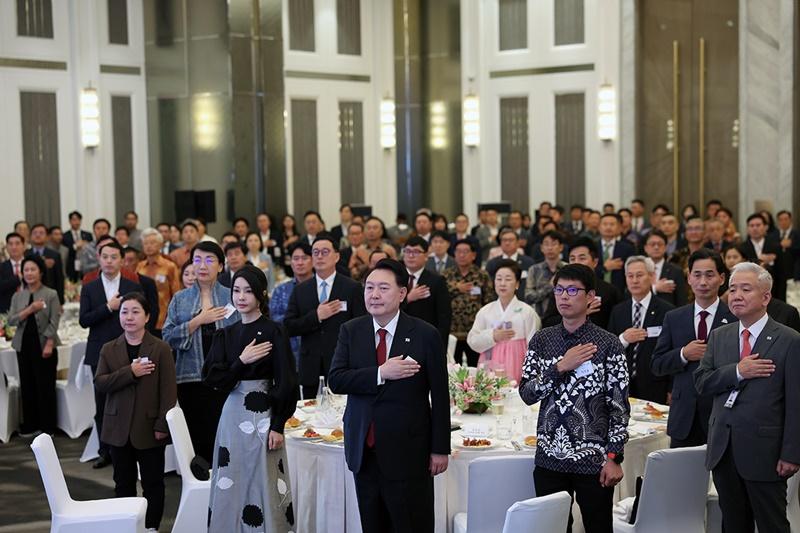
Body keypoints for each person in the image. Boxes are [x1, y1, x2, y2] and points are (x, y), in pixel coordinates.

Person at [328, 259, 450, 532]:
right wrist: (380, 372)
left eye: (383, 288)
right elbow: (336, 379)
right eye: (369, 287)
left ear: (402, 293)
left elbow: (440, 396)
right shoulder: (351, 330)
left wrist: (440, 448)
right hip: (364, 449)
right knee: (373, 525)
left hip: (409, 452)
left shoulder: (425, 334)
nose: (374, 295)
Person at [519, 263, 629, 533]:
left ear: (590, 296)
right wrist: (560, 367)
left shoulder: (608, 343)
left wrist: (614, 456)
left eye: (572, 290)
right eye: (558, 289)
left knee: (598, 527)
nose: (564, 296)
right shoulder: (542, 340)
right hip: (550, 457)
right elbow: (527, 393)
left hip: (594, 459)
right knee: (552, 528)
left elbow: (619, 405)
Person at [694, 262, 800, 533]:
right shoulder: (720, 336)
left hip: (766, 452)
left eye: (745, 289)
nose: (736, 295)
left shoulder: (789, 340)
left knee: (772, 524)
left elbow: (796, 403)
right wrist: (737, 371)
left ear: (766, 297)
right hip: (724, 449)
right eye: (732, 289)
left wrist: (792, 453)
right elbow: (702, 382)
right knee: (732, 524)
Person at [203, 266, 297, 532]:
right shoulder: (226, 333)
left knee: (264, 478)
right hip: (233, 413)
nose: (241, 296)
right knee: (231, 474)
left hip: (265, 413)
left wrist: (278, 424)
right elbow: (212, 379)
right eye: (236, 290)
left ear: (261, 294)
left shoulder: (274, 331)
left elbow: (287, 380)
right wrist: (240, 362)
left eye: (248, 291)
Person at [94, 292, 176, 533]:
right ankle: (127, 526)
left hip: (150, 427)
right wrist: (130, 372)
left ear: (147, 316)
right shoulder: (109, 349)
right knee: (123, 483)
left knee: (153, 483)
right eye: (124, 312)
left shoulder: (160, 348)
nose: (129, 317)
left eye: (135, 312)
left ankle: (150, 527)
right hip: (117, 428)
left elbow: (169, 392)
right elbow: (101, 383)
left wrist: (162, 425)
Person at [162, 241, 240, 463]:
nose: (202, 265)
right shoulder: (180, 299)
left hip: (225, 378)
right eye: (197, 260)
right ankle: (200, 488)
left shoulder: (231, 296)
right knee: (197, 439)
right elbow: (167, 337)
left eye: (209, 260)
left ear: (221, 266)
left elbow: (241, 334)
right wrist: (197, 321)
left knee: (224, 436)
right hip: (190, 380)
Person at [651, 249, 736, 448]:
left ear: (722, 278)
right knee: (682, 477)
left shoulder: (734, 318)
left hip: (721, 413)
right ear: (689, 278)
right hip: (684, 417)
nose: (703, 282)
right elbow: (657, 364)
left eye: (710, 274)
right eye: (697, 275)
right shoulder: (674, 317)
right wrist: (683, 354)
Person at [79, 241, 144, 469]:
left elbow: (142, 314)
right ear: (99, 258)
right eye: (105, 256)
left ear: (122, 259)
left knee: (131, 400)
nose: (109, 261)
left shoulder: (131, 285)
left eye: (113, 257)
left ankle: (132, 448)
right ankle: (104, 450)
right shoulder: (90, 287)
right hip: (99, 351)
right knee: (102, 404)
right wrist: (108, 307)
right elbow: (84, 320)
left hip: (127, 349)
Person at [284, 233, 367, 399]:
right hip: (310, 367)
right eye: (315, 253)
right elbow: (288, 327)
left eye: (325, 252)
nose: (319, 256)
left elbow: (362, 326)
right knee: (310, 417)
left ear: (336, 256)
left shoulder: (352, 288)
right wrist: (316, 316)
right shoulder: (301, 289)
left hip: (342, 363)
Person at [608, 256, 674, 404]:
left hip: (656, 386)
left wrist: (672, 387)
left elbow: (672, 351)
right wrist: (623, 339)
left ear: (652, 276)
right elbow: (608, 349)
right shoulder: (618, 311)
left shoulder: (667, 311)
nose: (634, 280)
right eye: (630, 276)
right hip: (623, 387)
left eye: (639, 275)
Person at [7, 255, 61, 437]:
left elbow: (55, 321)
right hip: (23, 345)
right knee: (27, 385)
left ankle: (48, 426)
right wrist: (30, 309)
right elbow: (11, 320)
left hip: (44, 345)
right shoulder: (18, 296)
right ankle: (30, 425)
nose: (29, 273)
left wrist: (49, 342)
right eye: (26, 270)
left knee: (45, 386)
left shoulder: (51, 294)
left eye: (33, 269)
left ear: (41, 272)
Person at [467, 260, 540, 382]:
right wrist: (492, 336)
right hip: (489, 362)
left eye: (508, 279)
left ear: (517, 284)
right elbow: (472, 340)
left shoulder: (527, 312)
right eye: (499, 279)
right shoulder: (485, 311)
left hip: (517, 363)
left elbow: (534, 348)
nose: (502, 283)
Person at [539, 237, 623, 330]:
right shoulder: (561, 289)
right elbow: (547, 322)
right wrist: (579, 315)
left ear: (595, 262)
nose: (576, 263)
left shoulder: (610, 291)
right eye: (572, 258)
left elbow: (617, 325)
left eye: (582, 258)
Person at [445, 239, 493, 366]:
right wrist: (456, 288)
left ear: (474, 255)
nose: (461, 255)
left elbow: (488, 303)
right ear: (454, 254)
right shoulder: (446, 275)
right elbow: (440, 299)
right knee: (453, 368)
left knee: (476, 367)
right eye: (458, 251)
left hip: (475, 332)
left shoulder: (482, 276)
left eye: (465, 252)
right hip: (452, 332)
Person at [401, 236, 452, 348]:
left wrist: (440, 346)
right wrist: (408, 298)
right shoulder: (396, 279)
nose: (411, 256)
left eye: (416, 252)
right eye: (407, 251)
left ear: (426, 256)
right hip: (398, 337)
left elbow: (444, 317)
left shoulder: (436, 281)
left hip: (425, 339)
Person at [270, 242, 313, 368]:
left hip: (316, 350)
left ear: (313, 260)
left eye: (304, 258)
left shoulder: (321, 288)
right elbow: (275, 323)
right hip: (289, 352)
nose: (300, 262)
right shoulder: (280, 290)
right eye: (296, 258)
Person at [137, 228, 182, 335]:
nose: (149, 246)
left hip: (163, 317)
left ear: (161, 245)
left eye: (152, 243)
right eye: (146, 243)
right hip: (142, 317)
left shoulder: (169, 266)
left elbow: (176, 293)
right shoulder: (140, 266)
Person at [741, 213, 786, 301]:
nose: (755, 228)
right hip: (748, 294)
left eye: (758, 225)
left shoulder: (775, 246)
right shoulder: (742, 248)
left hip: (772, 292)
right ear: (747, 229)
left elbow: (782, 274)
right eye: (751, 225)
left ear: (766, 227)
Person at [524, 230, 566, 317]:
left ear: (561, 247)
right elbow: (528, 297)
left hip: (565, 317)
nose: (550, 248)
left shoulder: (568, 268)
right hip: (540, 317)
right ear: (541, 248)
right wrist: (549, 287)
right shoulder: (534, 270)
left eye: (554, 244)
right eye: (546, 244)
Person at [485, 228, 535, 300]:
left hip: (524, 303)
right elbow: (489, 288)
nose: (507, 243)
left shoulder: (529, 262)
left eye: (511, 240)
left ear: (518, 243)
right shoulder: (492, 263)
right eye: (504, 240)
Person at [644, 230, 688, 307]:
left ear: (665, 247)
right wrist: (654, 288)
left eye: (660, 244)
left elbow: (681, 301)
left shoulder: (676, 271)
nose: (656, 247)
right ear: (645, 248)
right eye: (652, 244)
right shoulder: (639, 269)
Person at [27, 223, 65, 304]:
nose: (38, 235)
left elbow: (59, 279)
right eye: (35, 233)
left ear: (47, 237)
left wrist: (60, 302)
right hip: (28, 297)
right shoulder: (26, 254)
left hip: (49, 296)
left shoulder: (54, 255)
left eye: (41, 233)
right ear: (30, 236)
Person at [63, 210, 93, 282]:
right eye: (74, 219)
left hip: (86, 265)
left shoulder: (88, 235)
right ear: (70, 221)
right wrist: (75, 246)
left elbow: (92, 250)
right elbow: (64, 251)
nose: (76, 222)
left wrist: (86, 245)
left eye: (78, 219)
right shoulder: (65, 236)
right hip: (71, 264)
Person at [0, 232, 26, 313]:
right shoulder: (2, 267)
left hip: (30, 307)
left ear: (24, 246)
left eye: (17, 243)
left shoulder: (32, 265)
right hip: (7, 310)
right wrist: (17, 279)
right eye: (10, 244)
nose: (14, 247)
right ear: (6, 247)